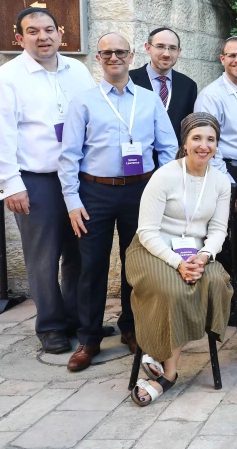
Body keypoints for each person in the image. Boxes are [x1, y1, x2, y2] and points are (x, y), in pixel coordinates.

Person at [58, 33, 177, 371]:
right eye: (107, 52)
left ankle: (131, 328)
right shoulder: (84, 102)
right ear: (98, 58)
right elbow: (68, 156)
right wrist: (71, 199)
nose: (114, 58)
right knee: (91, 266)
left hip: (140, 191)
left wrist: (163, 188)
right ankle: (89, 338)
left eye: (120, 52)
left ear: (131, 55)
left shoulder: (149, 99)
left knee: (136, 263)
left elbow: (167, 147)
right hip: (94, 192)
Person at [0, 8, 96, 354]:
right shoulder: (7, 78)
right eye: (33, 31)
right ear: (19, 38)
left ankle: (78, 318)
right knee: (43, 257)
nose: (43, 37)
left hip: (78, 179)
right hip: (37, 181)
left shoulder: (77, 71)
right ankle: (50, 325)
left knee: (79, 253)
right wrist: (10, 184)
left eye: (49, 29)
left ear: (60, 33)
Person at [126, 113, 234, 406]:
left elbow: (218, 230)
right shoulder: (165, 176)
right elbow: (146, 231)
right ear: (185, 142)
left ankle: (161, 360)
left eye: (210, 139)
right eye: (197, 138)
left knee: (216, 282)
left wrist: (203, 255)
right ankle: (168, 371)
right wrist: (177, 263)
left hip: (197, 254)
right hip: (153, 249)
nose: (204, 145)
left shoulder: (221, 182)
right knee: (172, 289)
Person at [194, 36, 237, 315]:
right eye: (231, 55)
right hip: (229, 171)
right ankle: (228, 304)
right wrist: (229, 185)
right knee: (228, 241)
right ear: (222, 59)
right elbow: (208, 145)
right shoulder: (211, 96)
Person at [128, 27, 198, 140]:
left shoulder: (189, 86)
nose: (166, 53)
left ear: (179, 52)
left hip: (174, 155)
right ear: (148, 48)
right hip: (138, 154)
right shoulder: (129, 80)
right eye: (160, 46)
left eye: (172, 48)